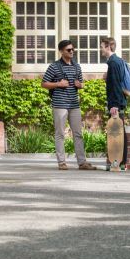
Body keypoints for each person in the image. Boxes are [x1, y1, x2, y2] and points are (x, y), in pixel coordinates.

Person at [41, 40, 96, 171]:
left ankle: (82, 163)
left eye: (72, 49)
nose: (72, 52)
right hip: (60, 104)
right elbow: (44, 83)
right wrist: (58, 84)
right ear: (61, 51)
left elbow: (81, 83)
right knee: (60, 134)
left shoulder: (77, 66)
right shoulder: (54, 66)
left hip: (74, 104)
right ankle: (62, 163)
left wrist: (80, 85)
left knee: (78, 133)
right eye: (68, 50)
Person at [100, 36, 128, 171]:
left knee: (117, 134)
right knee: (117, 132)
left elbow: (116, 86)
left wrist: (114, 105)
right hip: (116, 102)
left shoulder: (114, 63)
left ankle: (119, 163)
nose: (100, 49)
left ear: (108, 46)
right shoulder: (115, 62)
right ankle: (117, 163)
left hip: (116, 103)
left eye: (102, 46)